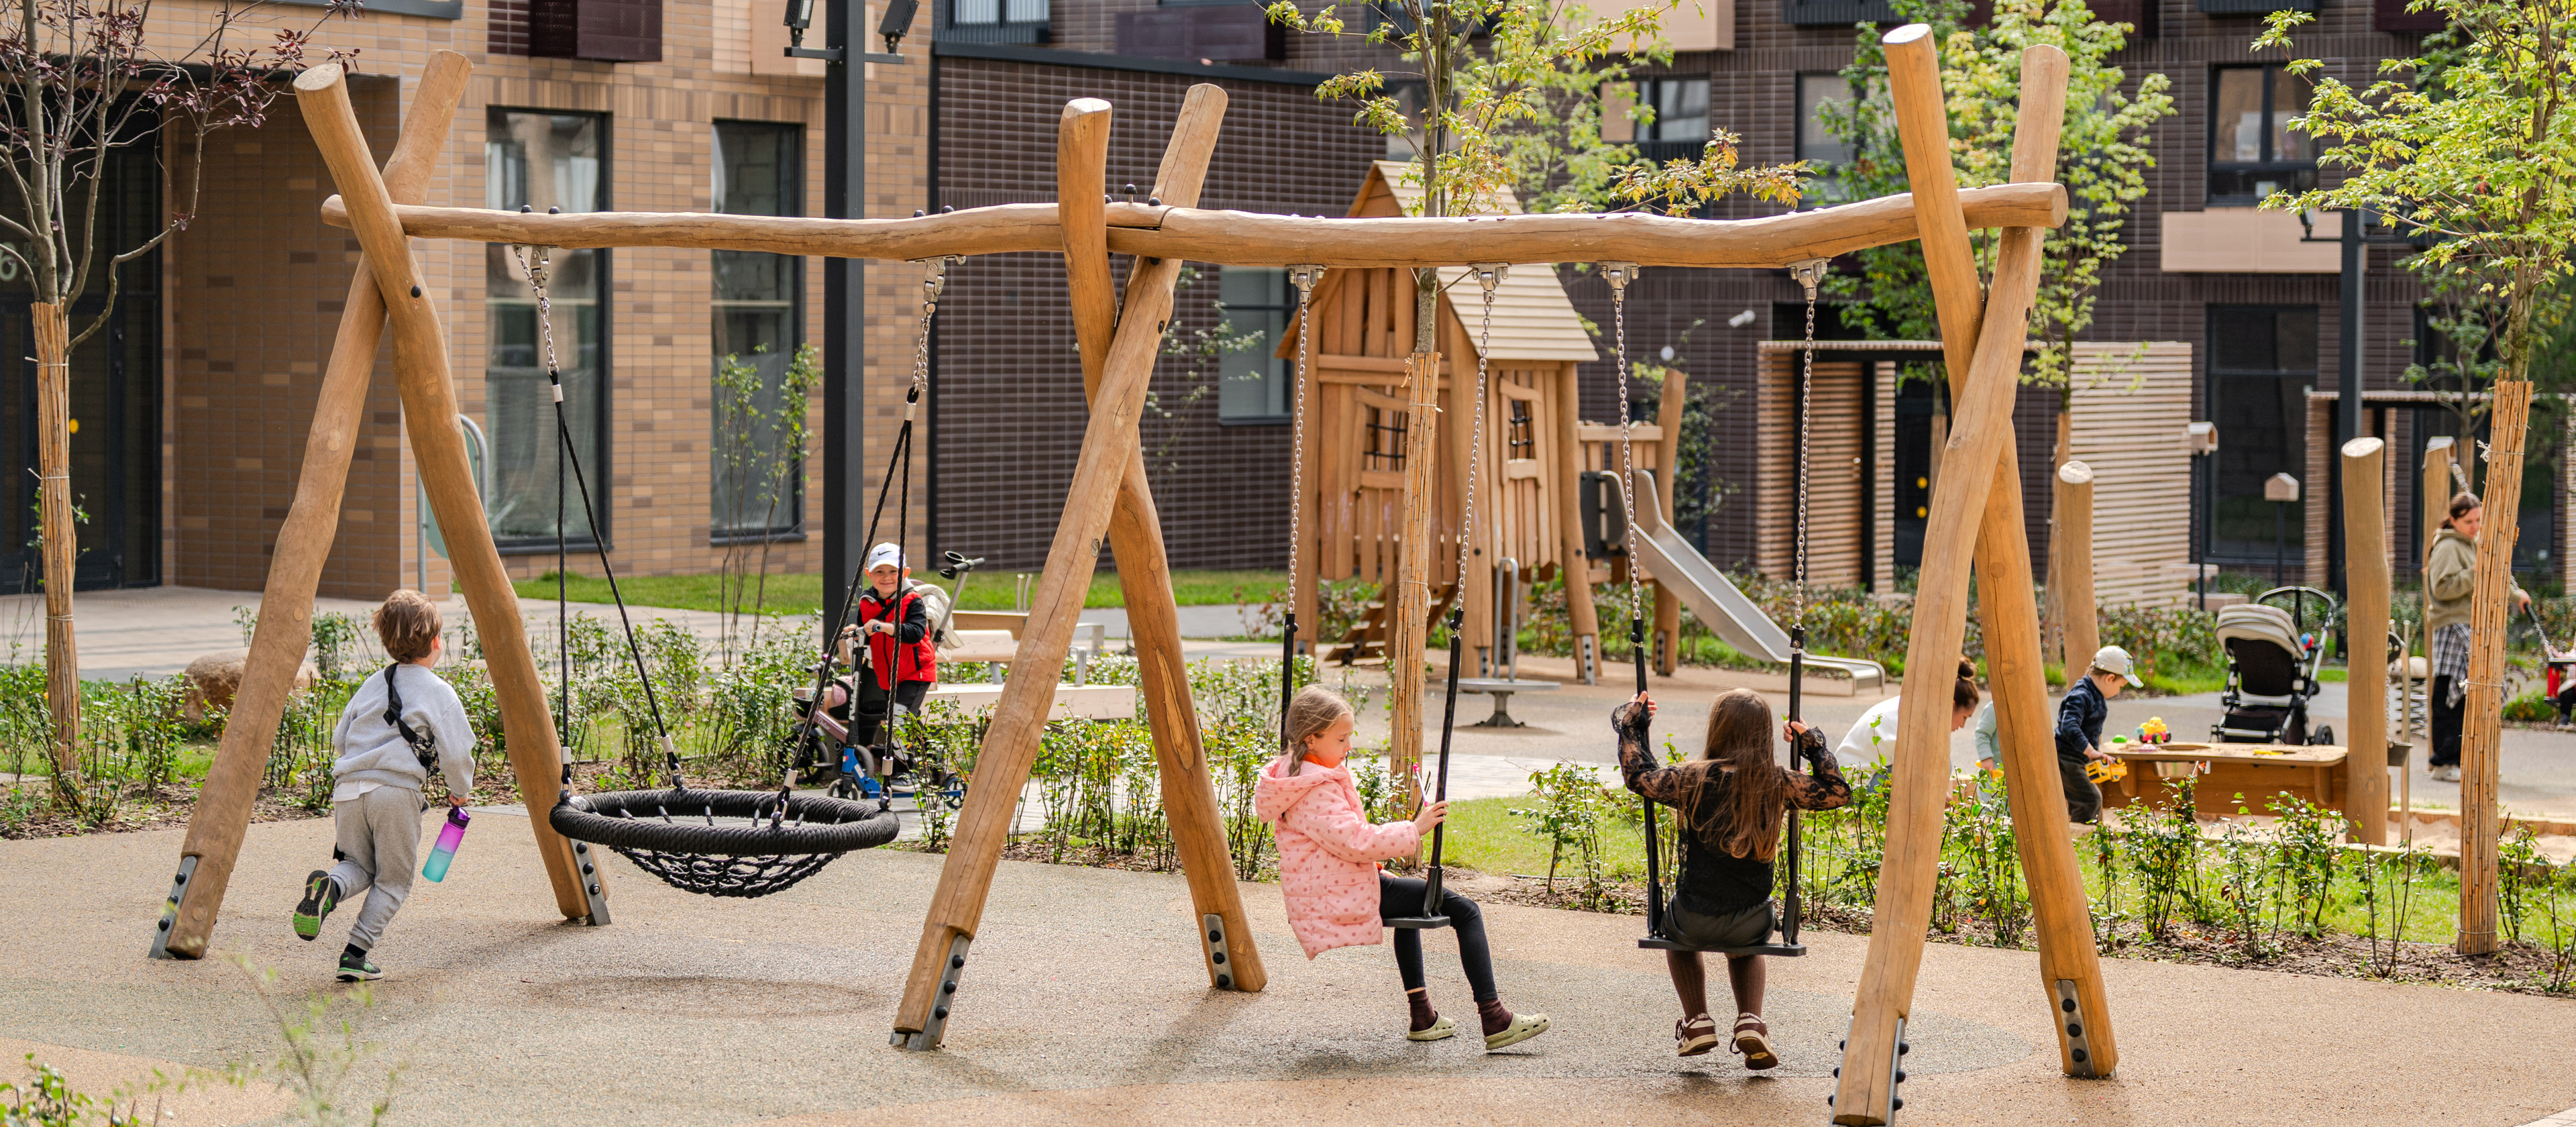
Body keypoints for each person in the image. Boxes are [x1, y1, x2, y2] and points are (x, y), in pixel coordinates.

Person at [1254, 685, 1551, 1051]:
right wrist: (1416, 828)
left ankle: (1423, 1016)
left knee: (1410, 909)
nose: (1349, 747)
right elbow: (1355, 840)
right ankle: (1495, 1018)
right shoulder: (1314, 787)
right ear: (1311, 739)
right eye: (1342, 739)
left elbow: (1332, 845)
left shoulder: (1295, 775)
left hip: (1331, 890)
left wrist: (1373, 871)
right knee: (1466, 910)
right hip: (1335, 897)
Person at [1617, 688, 1849, 1068]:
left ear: (1718, 729)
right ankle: (1750, 1020)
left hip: (1692, 919)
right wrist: (1811, 743)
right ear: (1763, 735)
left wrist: (1632, 725)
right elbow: (1837, 792)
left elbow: (1639, 776)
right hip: (1751, 922)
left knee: (1676, 937)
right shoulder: (1778, 782)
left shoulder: (1691, 778)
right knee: (1747, 945)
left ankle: (1697, 1020)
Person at [291, 590, 478, 982]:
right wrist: (460, 790)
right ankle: (355, 954)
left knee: (357, 865)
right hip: (394, 794)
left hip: (347, 789)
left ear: (386, 640)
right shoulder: (439, 692)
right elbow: (458, 753)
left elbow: (341, 738)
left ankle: (330, 888)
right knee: (394, 880)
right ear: (436, 641)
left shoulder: (373, 684)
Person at [2426, 492, 2530, 782]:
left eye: (2478, 521)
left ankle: (2466, 760)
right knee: (2450, 695)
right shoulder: (2448, 546)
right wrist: (2474, 574)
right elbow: (2442, 589)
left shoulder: (2472, 545)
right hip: (2452, 627)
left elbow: (2488, 579)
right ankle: (2444, 763)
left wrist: (2516, 596)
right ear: (2454, 520)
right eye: (2469, 521)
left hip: (2474, 625)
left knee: (2472, 696)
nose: (2475, 526)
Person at [837, 541, 939, 753]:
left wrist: (886, 627)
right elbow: (867, 633)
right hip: (887, 675)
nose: (887, 577)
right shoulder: (867, 602)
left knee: (899, 718)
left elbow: (916, 632)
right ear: (869, 574)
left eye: (893, 571)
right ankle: (932, 760)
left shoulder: (912, 601)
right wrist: (856, 631)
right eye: (880, 572)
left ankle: (901, 766)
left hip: (915, 672)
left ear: (905, 573)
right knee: (906, 719)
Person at [1835, 658, 1984, 769]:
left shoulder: (1920, 706)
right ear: (1951, 706)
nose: (1963, 725)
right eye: (1965, 717)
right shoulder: (1917, 716)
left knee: (1942, 763)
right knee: (1928, 767)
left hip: (1869, 774)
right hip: (1853, 786)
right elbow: (1909, 769)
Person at [2054, 645, 2141, 824]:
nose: (2119, 691)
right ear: (2110, 679)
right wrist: (2091, 751)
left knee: (2083, 799)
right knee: (2090, 800)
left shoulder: (2094, 695)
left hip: (2076, 758)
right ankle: (2081, 836)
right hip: (2065, 758)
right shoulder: (2081, 695)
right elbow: (2069, 726)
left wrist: (2094, 753)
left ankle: (2075, 832)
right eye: (2121, 686)